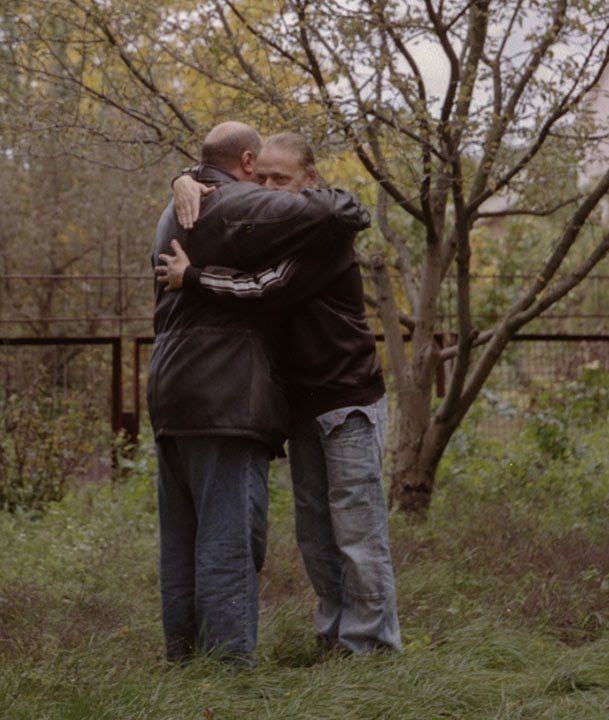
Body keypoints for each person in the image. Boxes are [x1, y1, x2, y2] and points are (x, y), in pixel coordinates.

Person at [158, 132, 401, 655]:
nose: (267, 188)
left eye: (281, 179)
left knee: (358, 534)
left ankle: (372, 649)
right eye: (261, 177)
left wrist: (192, 276)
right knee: (315, 534)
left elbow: (265, 289)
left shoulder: (322, 232)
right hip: (301, 403)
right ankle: (334, 639)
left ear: (309, 180)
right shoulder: (277, 228)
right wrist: (186, 177)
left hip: (346, 398)